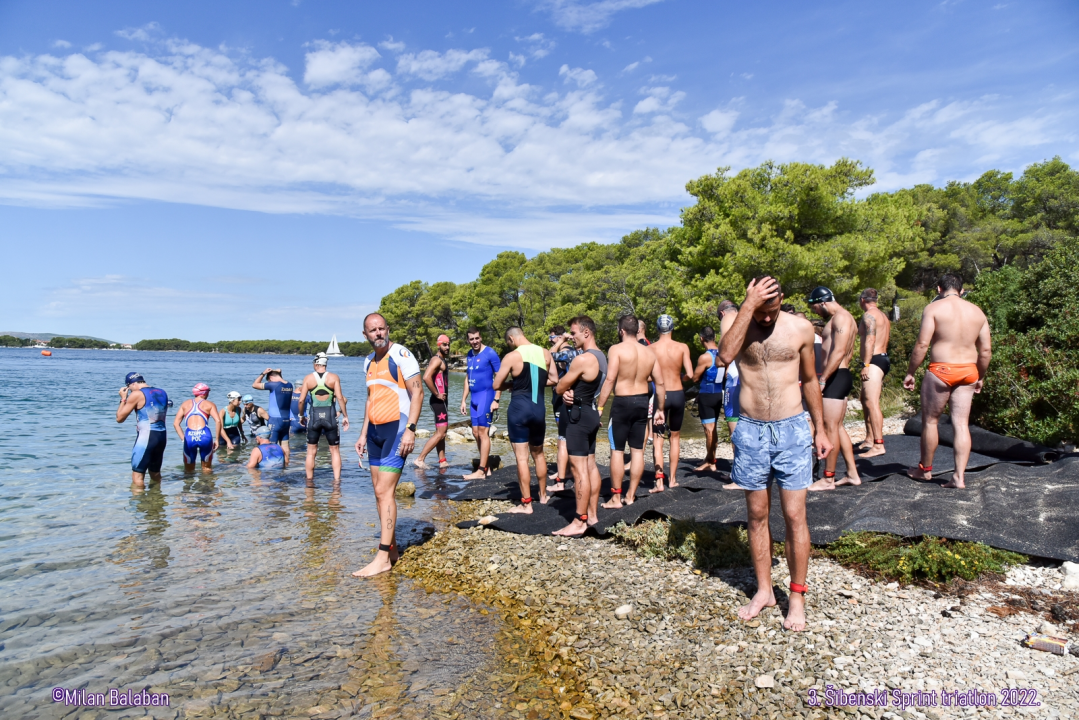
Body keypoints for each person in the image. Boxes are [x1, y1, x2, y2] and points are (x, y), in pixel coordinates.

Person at [718, 276, 831, 632]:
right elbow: (723, 355)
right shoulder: (741, 325)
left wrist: (821, 428)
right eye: (760, 311)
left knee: (795, 514)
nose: (766, 319)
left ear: (782, 300)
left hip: (792, 429)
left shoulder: (799, 328)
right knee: (756, 513)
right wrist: (749, 307)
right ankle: (764, 590)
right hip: (750, 431)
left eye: (772, 309)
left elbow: (810, 380)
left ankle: (796, 596)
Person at [903, 274, 992, 489]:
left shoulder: (933, 309)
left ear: (939, 288)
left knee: (931, 421)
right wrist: (980, 376)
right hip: (969, 371)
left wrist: (910, 372)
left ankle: (924, 470)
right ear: (961, 290)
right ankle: (959, 477)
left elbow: (922, 344)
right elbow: (986, 350)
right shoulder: (977, 312)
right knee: (961, 424)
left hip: (941, 369)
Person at [353, 313, 424, 577]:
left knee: (385, 491)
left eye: (381, 328)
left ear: (388, 329)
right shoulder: (368, 362)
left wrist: (411, 430)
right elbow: (371, 399)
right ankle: (392, 549)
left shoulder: (401, 355)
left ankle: (382, 557)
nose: (378, 333)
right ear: (365, 335)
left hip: (397, 431)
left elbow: (418, 392)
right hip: (374, 433)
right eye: (372, 330)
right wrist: (362, 434)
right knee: (378, 492)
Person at [598, 315, 665, 508]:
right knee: (637, 451)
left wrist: (600, 406)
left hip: (622, 402)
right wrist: (660, 409)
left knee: (617, 451)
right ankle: (631, 495)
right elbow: (660, 383)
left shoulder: (616, 349)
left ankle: (616, 498)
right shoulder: (649, 352)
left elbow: (610, 380)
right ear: (637, 330)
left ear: (621, 331)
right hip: (642, 402)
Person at [552, 316, 607, 537]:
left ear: (586, 333)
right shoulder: (603, 356)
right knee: (591, 466)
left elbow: (558, 387)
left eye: (573, 333)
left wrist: (566, 391)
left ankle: (579, 521)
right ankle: (592, 515)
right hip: (591, 412)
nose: (570, 337)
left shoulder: (583, 359)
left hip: (578, 417)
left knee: (578, 470)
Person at [493, 327, 559, 512]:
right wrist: (535, 382)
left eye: (508, 342)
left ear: (512, 338)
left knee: (522, 458)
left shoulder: (512, 356)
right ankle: (543, 496)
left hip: (519, 410)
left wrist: (514, 383)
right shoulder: (545, 353)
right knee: (538, 454)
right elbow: (554, 379)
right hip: (539, 410)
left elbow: (496, 384)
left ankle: (526, 503)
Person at [805, 287, 863, 490]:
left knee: (830, 428)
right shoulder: (843, 318)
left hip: (836, 376)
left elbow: (839, 352)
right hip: (838, 376)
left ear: (821, 302)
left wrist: (823, 380)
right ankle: (853, 474)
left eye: (814, 308)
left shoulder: (841, 318)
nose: (815, 313)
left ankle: (828, 478)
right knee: (837, 428)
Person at [650, 315, 693, 491]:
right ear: (672, 328)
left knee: (658, 438)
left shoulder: (651, 348)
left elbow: (646, 375)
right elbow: (690, 374)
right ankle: (673, 479)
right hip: (678, 394)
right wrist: (679, 377)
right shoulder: (682, 347)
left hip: (660, 394)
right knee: (674, 437)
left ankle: (659, 481)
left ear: (658, 329)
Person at [297, 352, 350, 485]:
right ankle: (337, 481)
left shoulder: (308, 378)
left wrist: (301, 416)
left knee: (311, 451)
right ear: (325, 364)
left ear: (316, 364)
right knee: (334, 450)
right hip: (330, 417)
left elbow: (301, 400)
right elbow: (340, 398)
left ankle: (309, 481)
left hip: (314, 417)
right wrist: (345, 416)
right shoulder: (333, 378)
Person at [460, 327, 502, 480]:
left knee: (483, 433)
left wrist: (496, 399)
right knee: (475, 432)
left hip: (487, 396)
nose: (474, 341)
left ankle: (481, 471)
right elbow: (467, 378)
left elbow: (500, 376)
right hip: (474, 398)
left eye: (477, 338)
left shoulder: (490, 353)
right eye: (471, 339)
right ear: (468, 340)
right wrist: (464, 399)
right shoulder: (470, 354)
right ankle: (487, 468)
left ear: (481, 337)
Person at [116, 372, 169, 487]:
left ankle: (140, 504)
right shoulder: (162, 392)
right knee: (155, 473)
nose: (129, 390)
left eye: (129, 388)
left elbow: (119, 418)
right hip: (161, 436)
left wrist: (123, 399)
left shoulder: (136, 394)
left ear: (132, 384)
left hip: (146, 437)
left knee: (138, 475)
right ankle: (156, 500)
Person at [857, 288, 892, 457]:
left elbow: (870, 339)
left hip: (874, 360)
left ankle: (879, 444)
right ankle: (870, 438)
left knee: (871, 402)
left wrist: (866, 364)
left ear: (862, 300)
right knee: (864, 400)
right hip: (882, 358)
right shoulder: (883, 316)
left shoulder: (869, 315)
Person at [547, 326, 581, 491]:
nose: (550, 340)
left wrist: (561, 340)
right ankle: (565, 471)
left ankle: (562, 478)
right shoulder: (567, 350)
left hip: (564, 399)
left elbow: (547, 356)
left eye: (551, 337)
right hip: (559, 397)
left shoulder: (566, 351)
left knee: (563, 439)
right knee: (564, 435)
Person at [414, 334, 453, 469]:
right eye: (444, 344)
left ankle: (442, 461)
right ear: (438, 345)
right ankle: (420, 459)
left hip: (441, 401)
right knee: (441, 432)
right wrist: (437, 394)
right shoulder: (437, 360)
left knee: (441, 433)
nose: (447, 347)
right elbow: (426, 377)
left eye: (448, 344)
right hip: (438, 401)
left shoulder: (442, 360)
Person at [716, 301, 742, 489]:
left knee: (735, 428)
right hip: (752, 376)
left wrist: (721, 362)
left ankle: (739, 476)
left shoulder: (729, 319)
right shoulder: (747, 318)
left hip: (735, 378)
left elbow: (723, 354)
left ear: (723, 313)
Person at [691, 326, 723, 472]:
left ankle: (711, 461)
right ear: (715, 337)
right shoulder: (722, 353)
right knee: (713, 428)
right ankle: (710, 457)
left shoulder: (705, 357)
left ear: (701, 339)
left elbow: (695, 378)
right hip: (718, 393)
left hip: (707, 395)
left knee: (708, 429)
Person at [173, 383, 223, 473]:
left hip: (189, 436)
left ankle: (188, 485)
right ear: (204, 393)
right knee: (207, 468)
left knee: (188, 470)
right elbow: (218, 421)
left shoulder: (185, 404)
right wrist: (217, 440)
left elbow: (176, 423)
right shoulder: (210, 404)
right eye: (208, 392)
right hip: (205, 436)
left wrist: (183, 439)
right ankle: (206, 485)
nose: (208, 394)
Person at [252, 368, 293, 444]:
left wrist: (263, 373)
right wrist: (279, 373)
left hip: (275, 420)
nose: (269, 383)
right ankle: (286, 456)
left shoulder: (273, 385)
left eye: (269, 381)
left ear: (270, 377)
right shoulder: (289, 385)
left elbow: (255, 384)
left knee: (271, 445)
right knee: (285, 445)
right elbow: (281, 380)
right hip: (286, 420)